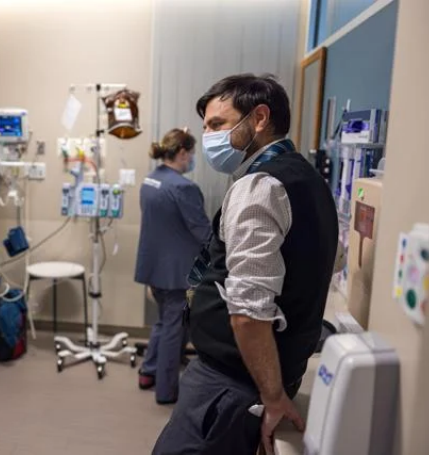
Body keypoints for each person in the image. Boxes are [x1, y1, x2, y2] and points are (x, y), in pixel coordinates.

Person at [153, 74, 339, 454]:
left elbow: (248, 312)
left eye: (218, 125)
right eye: (205, 128)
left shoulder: (261, 187)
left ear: (259, 118)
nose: (208, 138)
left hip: (229, 384)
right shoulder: (306, 177)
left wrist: (272, 397)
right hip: (253, 375)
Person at [134, 128, 212, 405]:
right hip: (178, 273)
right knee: (174, 329)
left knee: (163, 322)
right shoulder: (183, 187)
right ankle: (166, 392)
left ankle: (149, 371)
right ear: (181, 153)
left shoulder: (150, 180)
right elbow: (202, 230)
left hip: (154, 268)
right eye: (191, 153)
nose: (192, 159)